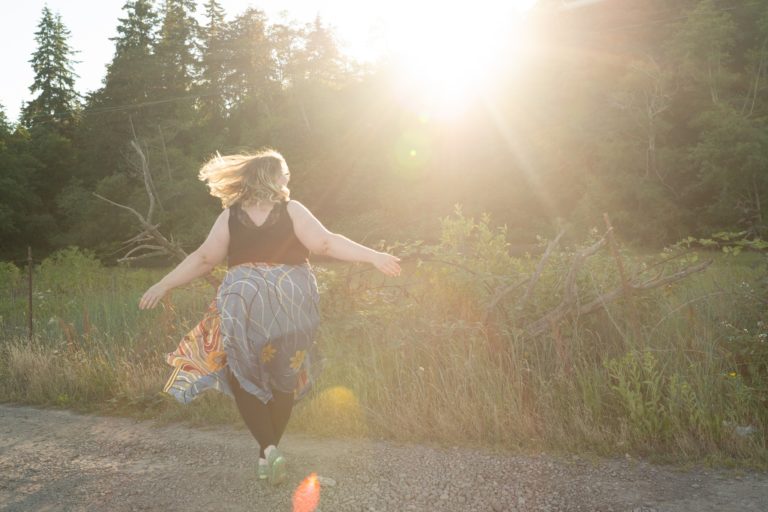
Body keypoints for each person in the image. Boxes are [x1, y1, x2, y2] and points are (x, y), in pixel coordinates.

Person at [139, 149, 400, 485]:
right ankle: (268, 456)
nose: (289, 179)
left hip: (244, 300)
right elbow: (325, 243)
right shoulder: (291, 210)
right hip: (291, 301)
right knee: (285, 375)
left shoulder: (231, 216)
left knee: (238, 372)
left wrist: (164, 283)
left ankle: (268, 450)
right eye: (285, 173)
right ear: (273, 177)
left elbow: (205, 258)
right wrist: (372, 255)